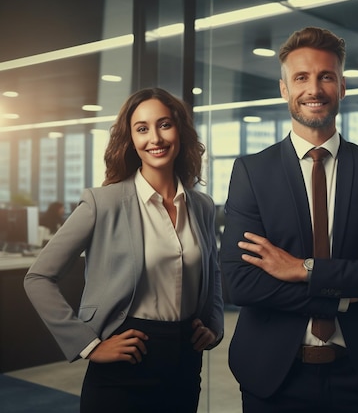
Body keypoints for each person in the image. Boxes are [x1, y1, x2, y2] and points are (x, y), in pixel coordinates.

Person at [219, 26, 358, 413]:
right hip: (274, 378)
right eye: (301, 78)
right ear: (284, 90)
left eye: (326, 76)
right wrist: (349, 292)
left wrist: (302, 269)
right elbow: (241, 283)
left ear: (342, 86)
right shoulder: (251, 172)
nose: (314, 88)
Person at [24, 87, 224, 413]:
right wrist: (88, 345)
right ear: (130, 140)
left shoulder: (201, 205)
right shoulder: (103, 203)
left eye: (164, 125)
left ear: (180, 131)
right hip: (125, 362)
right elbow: (39, 277)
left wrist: (214, 322)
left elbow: (212, 268)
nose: (155, 138)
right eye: (142, 129)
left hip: (186, 362)